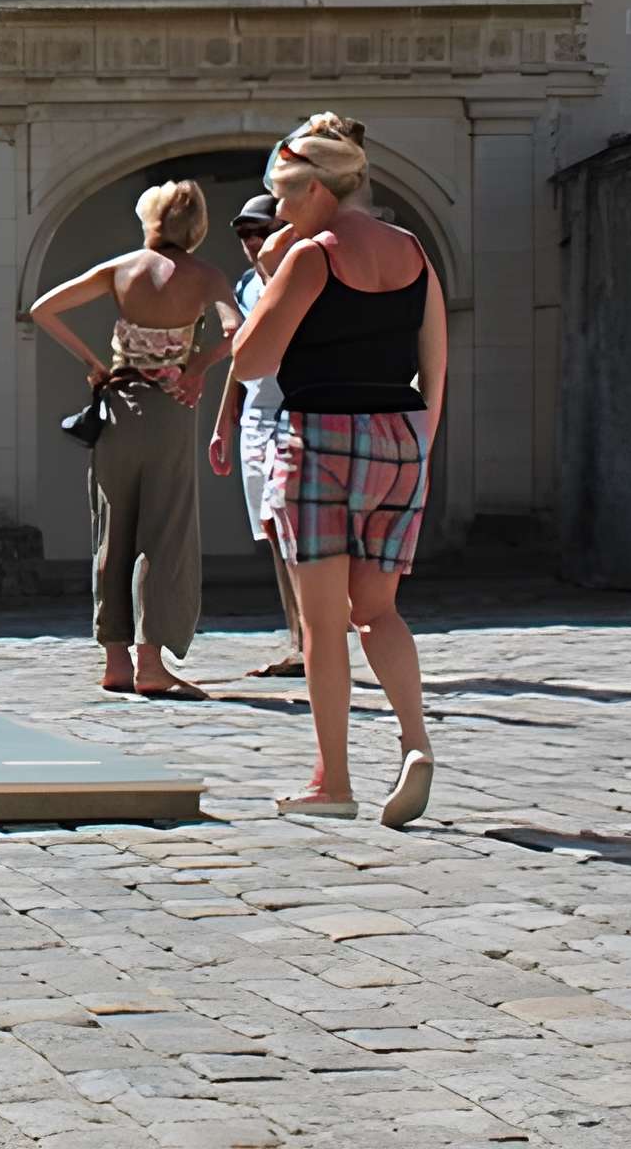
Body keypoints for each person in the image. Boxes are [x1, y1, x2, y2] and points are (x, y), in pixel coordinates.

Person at [221, 112, 447, 826]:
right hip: (402, 436)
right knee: (376, 610)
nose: (279, 212)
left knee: (323, 625)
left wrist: (271, 265)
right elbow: (435, 358)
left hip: (320, 438)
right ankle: (414, 741)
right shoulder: (412, 249)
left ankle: (334, 780)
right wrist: (422, 447)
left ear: (319, 190)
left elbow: (250, 358)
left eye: (286, 196)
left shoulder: (310, 254)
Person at [29, 177, 239, 698]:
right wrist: (198, 366)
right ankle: (152, 662)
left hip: (117, 408)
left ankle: (116, 660)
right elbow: (240, 332)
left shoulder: (120, 269)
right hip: (170, 411)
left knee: (112, 530)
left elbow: (43, 309)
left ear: (150, 221)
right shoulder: (207, 276)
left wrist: (95, 364)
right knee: (163, 531)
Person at [207, 191, 308, 679]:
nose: (250, 241)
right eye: (244, 233)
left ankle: (315, 641)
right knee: (272, 531)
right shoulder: (246, 285)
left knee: (293, 527)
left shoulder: (303, 278)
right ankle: (298, 640)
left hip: (298, 409)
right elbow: (239, 357)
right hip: (257, 417)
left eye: (260, 231)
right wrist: (224, 419)